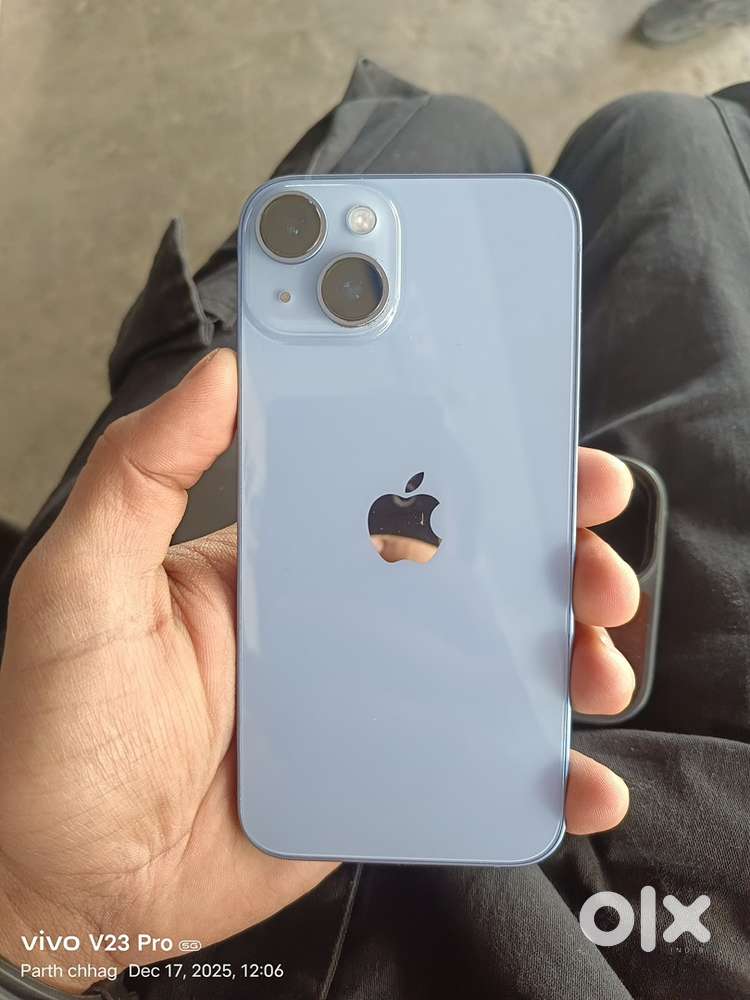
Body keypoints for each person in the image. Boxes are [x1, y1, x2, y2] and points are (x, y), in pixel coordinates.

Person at [0, 60, 748, 1000]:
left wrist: (42, 914)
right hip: (690, 856)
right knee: (672, 143)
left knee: (494, 138)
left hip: (188, 950)